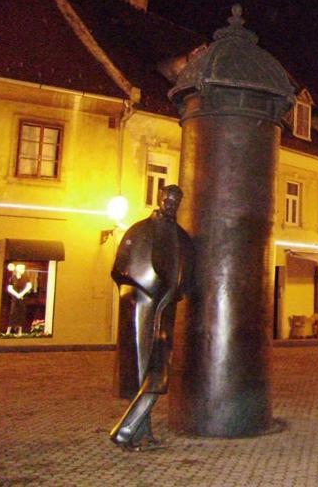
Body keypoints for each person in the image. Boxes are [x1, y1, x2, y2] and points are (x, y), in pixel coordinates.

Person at [109, 184, 194, 451]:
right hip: (142, 305)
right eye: (167, 199)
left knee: (157, 372)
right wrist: (146, 292)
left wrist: (176, 292)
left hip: (165, 309)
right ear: (159, 199)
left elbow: (188, 276)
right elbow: (121, 268)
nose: (170, 204)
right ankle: (127, 431)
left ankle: (137, 431)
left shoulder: (181, 237)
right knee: (145, 371)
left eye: (175, 201)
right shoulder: (140, 230)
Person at [5, 264, 33, 336]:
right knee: (13, 312)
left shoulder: (25, 277)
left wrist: (22, 294)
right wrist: (16, 295)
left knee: (21, 312)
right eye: (22, 269)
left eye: (23, 269)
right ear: (17, 269)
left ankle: (20, 331)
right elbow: (9, 288)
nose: (23, 270)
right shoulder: (13, 277)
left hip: (22, 298)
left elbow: (29, 286)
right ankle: (8, 330)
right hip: (15, 297)